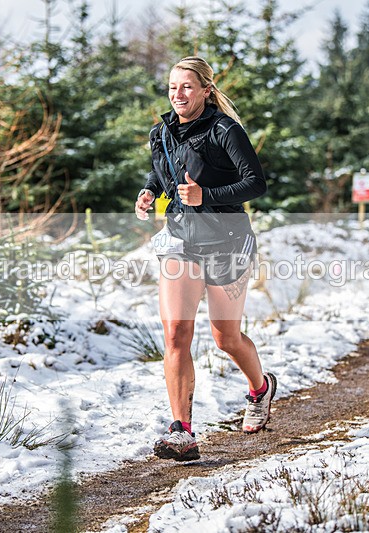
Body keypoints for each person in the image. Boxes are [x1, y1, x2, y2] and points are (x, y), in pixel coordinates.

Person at [134, 56, 276, 461]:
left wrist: (206, 197)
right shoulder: (161, 132)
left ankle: (260, 388)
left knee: (224, 338)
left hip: (227, 242)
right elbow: (160, 173)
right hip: (179, 241)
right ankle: (182, 432)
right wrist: (150, 193)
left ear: (206, 91)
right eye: (172, 87)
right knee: (177, 335)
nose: (178, 95)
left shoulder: (225, 130)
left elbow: (256, 182)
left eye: (187, 87)